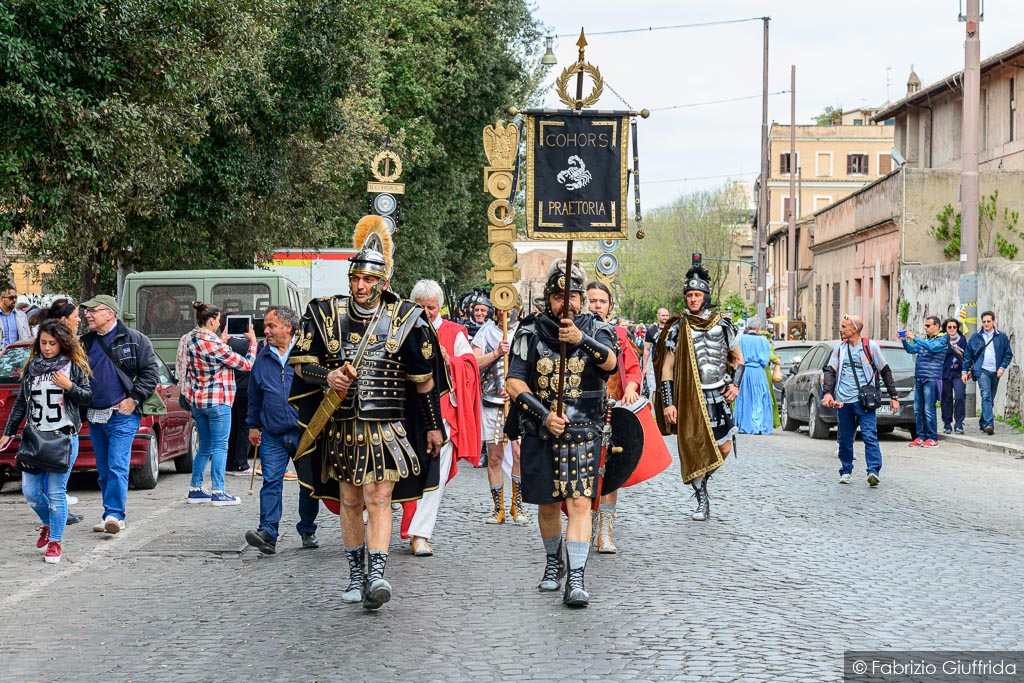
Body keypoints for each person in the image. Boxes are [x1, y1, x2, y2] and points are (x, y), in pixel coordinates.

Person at [287, 215, 447, 610]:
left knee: (379, 498)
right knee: (350, 501)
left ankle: (376, 575)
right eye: (356, 278)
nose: (361, 286)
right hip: (341, 426)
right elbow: (300, 364)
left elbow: (423, 379)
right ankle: (356, 576)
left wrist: (432, 426)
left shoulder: (406, 319)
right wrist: (329, 376)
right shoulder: (324, 314)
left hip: (388, 426)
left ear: (383, 283)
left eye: (369, 280)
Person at [505, 259, 618, 607]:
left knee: (580, 502)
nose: (565, 303)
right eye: (558, 296)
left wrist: (582, 340)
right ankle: (554, 563)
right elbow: (514, 381)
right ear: (548, 299)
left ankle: (578, 577)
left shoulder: (596, 328)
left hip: (584, 429)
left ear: (581, 299)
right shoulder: (529, 331)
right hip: (542, 430)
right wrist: (543, 415)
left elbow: (611, 364)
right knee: (549, 505)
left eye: (571, 296)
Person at [585, 282, 671, 554]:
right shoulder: (575, 332)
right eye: (592, 300)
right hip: (582, 413)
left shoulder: (619, 335)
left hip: (612, 412)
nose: (597, 305)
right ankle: (584, 526)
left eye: (601, 301)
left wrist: (632, 388)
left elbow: (633, 370)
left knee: (610, 475)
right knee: (582, 473)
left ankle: (605, 533)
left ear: (610, 305)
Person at [400, 279, 482, 556]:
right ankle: (404, 525)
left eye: (431, 307)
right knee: (408, 472)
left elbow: (470, 368)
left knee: (434, 475)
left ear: (440, 306)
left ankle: (420, 533)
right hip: (407, 413)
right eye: (420, 306)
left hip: (444, 414)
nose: (426, 311)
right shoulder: (401, 329)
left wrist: (450, 360)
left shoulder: (455, 332)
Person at [653, 265, 742, 521]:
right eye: (689, 295)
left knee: (723, 448)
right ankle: (701, 497)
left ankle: (702, 484)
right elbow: (667, 369)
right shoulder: (677, 327)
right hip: (690, 398)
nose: (693, 299)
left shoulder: (723, 324)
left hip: (718, 394)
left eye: (697, 295)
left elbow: (738, 359)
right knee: (693, 449)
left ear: (705, 296)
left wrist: (735, 384)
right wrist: (669, 403)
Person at [0, 320, 92, 563]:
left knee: (55, 491)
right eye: (43, 343)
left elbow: (88, 397)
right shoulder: (32, 367)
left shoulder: (73, 366)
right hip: (35, 436)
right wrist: (8, 432)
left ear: (62, 344)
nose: (47, 348)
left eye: (52, 343)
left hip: (63, 437)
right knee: (30, 492)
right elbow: (21, 401)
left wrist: (69, 386)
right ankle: (48, 524)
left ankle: (56, 542)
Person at [80, 295, 160, 534]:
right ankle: (108, 513)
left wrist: (133, 398)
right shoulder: (84, 343)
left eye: (93, 310)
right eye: (86, 311)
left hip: (122, 414)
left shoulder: (136, 340)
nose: (87, 314)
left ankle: (115, 514)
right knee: (103, 469)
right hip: (95, 415)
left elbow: (151, 373)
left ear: (110, 313)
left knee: (117, 464)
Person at [243, 306, 320, 555]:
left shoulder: (306, 352)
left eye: (270, 326)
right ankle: (268, 533)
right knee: (271, 482)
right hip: (273, 434)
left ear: (288, 327)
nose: (266, 331)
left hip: (304, 433)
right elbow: (254, 395)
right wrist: (253, 425)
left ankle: (307, 528)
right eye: (266, 326)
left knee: (309, 484)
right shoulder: (264, 357)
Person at [182, 301, 256, 505]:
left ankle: (195, 488)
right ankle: (218, 491)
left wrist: (222, 340)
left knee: (204, 445)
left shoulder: (192, 339)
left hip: (198, 401)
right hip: (218, 400)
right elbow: (246, 364)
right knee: (220, 446)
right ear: (212, 320)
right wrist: (253, 343)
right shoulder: (214, 344)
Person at [821, 315, 900, 486]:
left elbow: (885, 370)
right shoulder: (839, 348)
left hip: (865, 401)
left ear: (854, 329)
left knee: (869, 436)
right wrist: (828, 393)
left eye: (843, 326)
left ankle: (873, 471)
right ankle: (846, 470)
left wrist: (893, 397)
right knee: (845, 438)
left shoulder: (870, 347)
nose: (840, 329)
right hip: (843, 401)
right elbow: (830, 371)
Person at [472, 296, 526, 525]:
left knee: (518, 455)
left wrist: (516, 392)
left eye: (509, 308)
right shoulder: (485, 332)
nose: (503, 313)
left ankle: (518, 506)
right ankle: (498, 508)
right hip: (491, 401)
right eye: (500, 309)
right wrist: (495, 353)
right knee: (494, 457)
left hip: (517, 404)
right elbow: (472, 362)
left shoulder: (525, 333)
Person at [962, 310, 1014, 435]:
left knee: (990, 398)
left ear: (993, 322)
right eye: (984, 322)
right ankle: (989, 424)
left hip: (995, 371)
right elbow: (968, 355)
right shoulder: (976, 336)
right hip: (982, 370)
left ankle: (983, 421)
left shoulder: (1001, 337)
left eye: (988, 321)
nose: (986, 324)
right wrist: (965, 371)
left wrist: (1002, 367)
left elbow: (1008, 354)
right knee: (985, 395)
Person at [902, 316, 948, 448]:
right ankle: (921, 436)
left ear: (937, 326)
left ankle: (932, 438)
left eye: (928, 326)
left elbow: (931, 348)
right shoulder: (925, 340)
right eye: (925, 326)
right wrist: (904, 341)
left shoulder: (942, 340)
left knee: (929, 410)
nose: (926, 328)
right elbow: (911, 350)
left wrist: (914, 337)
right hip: (919, 377)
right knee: (918, 410)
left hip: (931, 378)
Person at [734, 320, 775, 435]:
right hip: (757, 372)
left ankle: (743, 424)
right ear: (757, 327)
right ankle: (758, 425)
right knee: (759, 397)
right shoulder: (764, 341)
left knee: (744, 397)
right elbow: (766, 360)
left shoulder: (741, 339)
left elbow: (736, 356)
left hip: (744, 371)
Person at [225, 334, 254, 476]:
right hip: (246, 389)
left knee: (232, 427)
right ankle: (241, 463)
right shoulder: (250, 344)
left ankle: (229, 463)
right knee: (244, 427)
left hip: (230, 390)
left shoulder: (225, 344)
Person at [941, 318, 967, 435]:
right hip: (946, 372)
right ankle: (947, 423)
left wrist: (966, 370)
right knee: (946, 398)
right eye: (949, 327)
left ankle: (959, 423)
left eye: (954, 327)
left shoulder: (962, 340)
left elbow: (967, 355)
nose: (952, 329)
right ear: (945, 329)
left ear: (957, 328)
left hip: (958, 372)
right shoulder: (942, 340)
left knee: (960, 396)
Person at [642, 307, 670, 396]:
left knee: (670, 390)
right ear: (658, 316)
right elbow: (646, 350)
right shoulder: (651, 330)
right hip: (656, 363)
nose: (665, 317)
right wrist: (645, 367)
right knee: (655, 390)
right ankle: (657, 410)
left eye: (667, 315)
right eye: (663, 315)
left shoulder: (672, 328)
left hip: (670, 363)